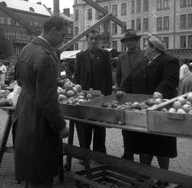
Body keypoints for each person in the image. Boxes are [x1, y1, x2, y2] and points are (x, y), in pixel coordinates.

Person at [13, 16, 69, 188]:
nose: (63, 40)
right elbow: (49, 101)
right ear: (52, 30)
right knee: (42, 173)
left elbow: (21, 81)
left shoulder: (27, 48)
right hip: (38, 121)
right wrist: (61, 126)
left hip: (24, 112)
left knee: (31, 171)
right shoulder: (46, 58)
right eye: (62, 35)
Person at [117, 34, 179, 188]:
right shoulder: (144, 61)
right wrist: (123, 90)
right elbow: (131, 79)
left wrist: (160, 91)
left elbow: (170, 79)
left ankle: (164, 177)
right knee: (144, 144)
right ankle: (145, 174)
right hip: (143, 110)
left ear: (154, 48)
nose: (145, 48)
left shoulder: (169, 60)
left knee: (161, 145)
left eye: (147, 46)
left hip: (160, 110)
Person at [74, 28, 112, 154]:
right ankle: (85, 154)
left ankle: (99, 154)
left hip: (100, 98)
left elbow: (108, 76)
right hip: (84, 97)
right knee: (84, 126)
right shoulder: (80, 56)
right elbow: (77, 76)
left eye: (96, 38)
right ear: (87, 40)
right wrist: (77, 93)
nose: (94, 41)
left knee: (99, 127)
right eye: (91, 38)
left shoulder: (105, 54)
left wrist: (107, 97)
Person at [116, 29, 145, 160]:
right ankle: (128, 153)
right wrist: (119, 90)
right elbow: (118, 76)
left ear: (137, 41)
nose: (130, 43)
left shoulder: (144, 55)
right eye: (127, 41)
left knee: (139, 124)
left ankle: (141, 152)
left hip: (140, 94)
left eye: (132, 40)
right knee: (125, 125)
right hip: (125, 95)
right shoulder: (121, 57)